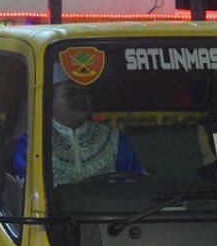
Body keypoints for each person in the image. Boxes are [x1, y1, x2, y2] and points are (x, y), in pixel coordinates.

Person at [11, 71, 142, 185]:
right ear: (50, 99)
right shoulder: (33, 141)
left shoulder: (112, 138)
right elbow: (25, 188)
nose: (81, 99)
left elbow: (134, 183)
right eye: (72, 92)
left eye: (86, 93)